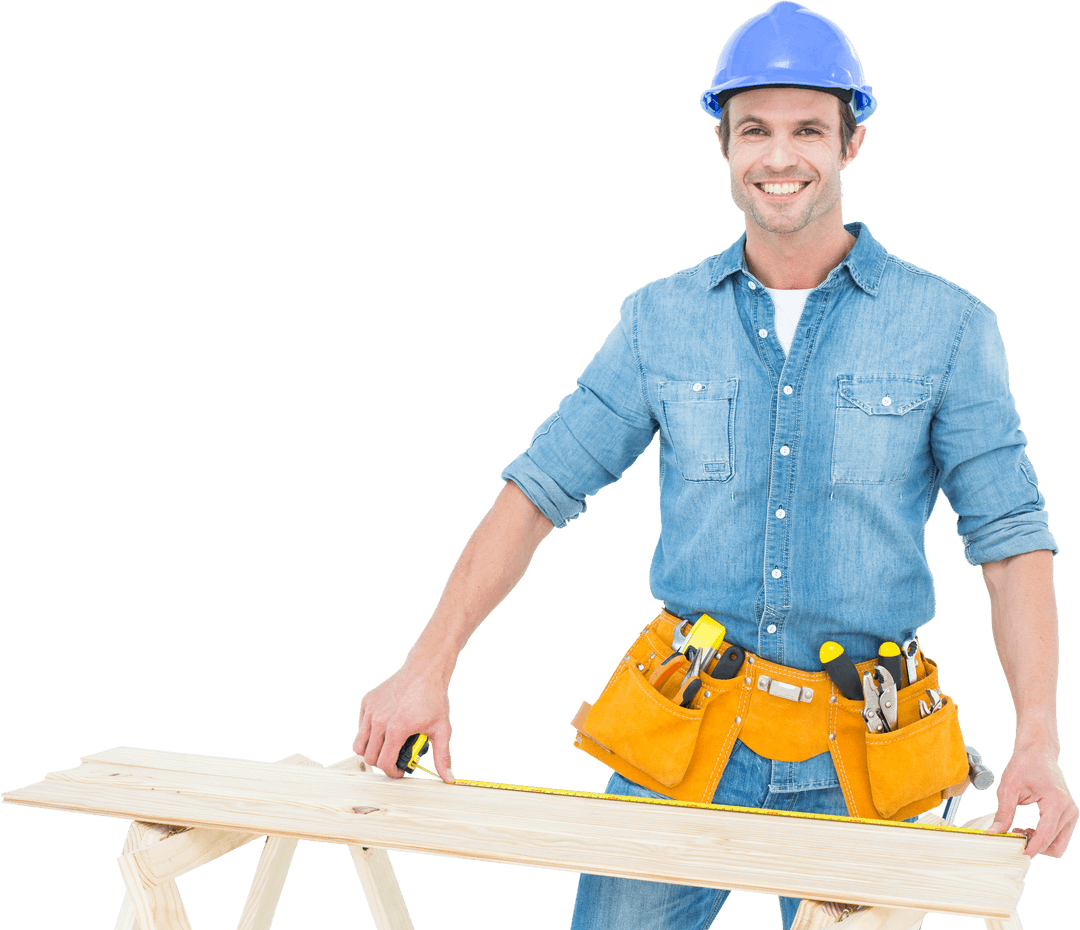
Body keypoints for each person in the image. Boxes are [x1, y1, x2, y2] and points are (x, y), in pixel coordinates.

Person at [353, 2, 1076, 926]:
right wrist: (426, 666)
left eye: (808, 129)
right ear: (725, 147)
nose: (781, 157)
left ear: (852, 140)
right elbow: (537, 491)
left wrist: (1040, 739)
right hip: (684, 727)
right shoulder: (660, 320)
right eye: (756, 131)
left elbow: (1012, 542)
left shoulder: (948, 326)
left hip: (867, 745)